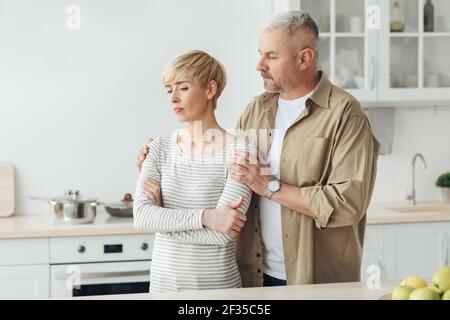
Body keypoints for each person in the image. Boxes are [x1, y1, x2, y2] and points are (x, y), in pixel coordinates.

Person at [137, 11, 379, 288]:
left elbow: (348, 204)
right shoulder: (256, 109)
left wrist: (269, 186)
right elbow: (222, 172)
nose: (259, 65)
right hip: (253, 274)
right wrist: (160, 164)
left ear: (304, 58)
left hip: (312, 278)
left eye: (271, 56)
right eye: (260, 54)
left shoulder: (346, 115)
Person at [133, 50, 256, 292]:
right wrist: (207, 218)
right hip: (163, 289)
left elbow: (222, 235)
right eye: (169, 90)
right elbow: (142, 217)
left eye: (183, 88)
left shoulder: (241, 151)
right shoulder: (158, 148)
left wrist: (163, 221)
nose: (173, 98)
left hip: (219, 290)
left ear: (210, 90)